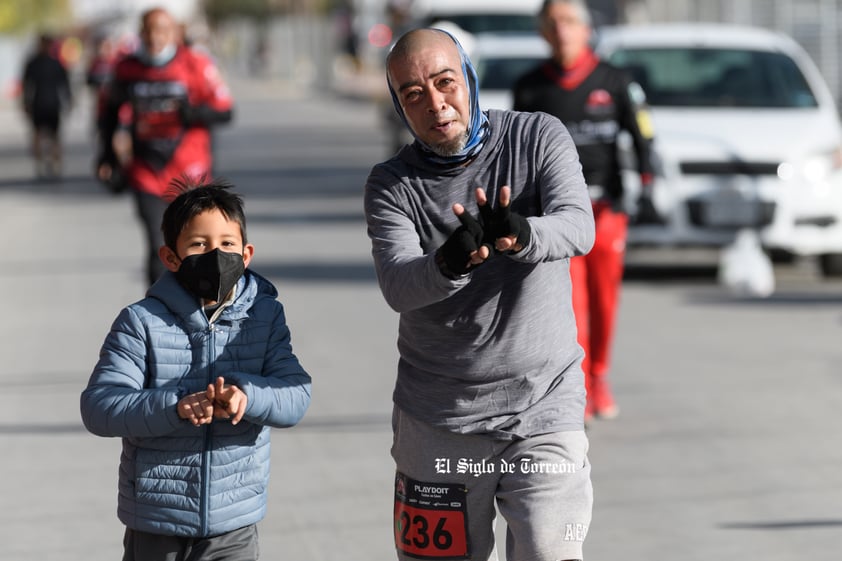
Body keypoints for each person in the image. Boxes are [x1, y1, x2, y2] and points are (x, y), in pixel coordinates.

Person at [365, 28, 595, 561]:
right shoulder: (391, 184)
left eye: (445, 82)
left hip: (544, 408)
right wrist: (448, 262)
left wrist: (522, 234)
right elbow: (399, 284)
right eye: (413, 94)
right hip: (439, 421)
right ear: (400, 105)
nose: (436, 104)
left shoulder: (538, 136)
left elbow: (578, 227)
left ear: (469, 79)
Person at [80, 178, 312, 561]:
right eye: (199, 245)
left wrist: (247, 396)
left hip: (233, 524)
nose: (215, 254)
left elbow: (296, 395)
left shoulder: (265, 316)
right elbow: (99, 407)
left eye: (226, 244)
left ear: (246, 254)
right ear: (171, 258)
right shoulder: (140, 321)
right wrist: (175, 407)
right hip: (156, 521)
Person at [513, 0, 660, 422]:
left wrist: (647, 187)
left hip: (606, 208)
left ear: (586, 28)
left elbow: (643, 135)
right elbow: (516, 150)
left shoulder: (615, 81)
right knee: (569, 303)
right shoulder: (530, 87)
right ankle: (573, 389)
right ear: (543, 31)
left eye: (570, 21)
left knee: (603, 300)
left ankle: (599, 377)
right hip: (555, 216)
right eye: (553, 23)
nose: (562, 30)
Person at [96, 7, 234, 286]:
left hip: (190, 172)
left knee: (195, 245)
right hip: (146, 171)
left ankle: (199, 311)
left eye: (162, 30)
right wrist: (107, 156)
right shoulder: (127, 68)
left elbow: (226, 111)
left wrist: (194, 113)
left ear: (175, 33)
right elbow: (109, 113)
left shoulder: (196, 64)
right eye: (149, 30)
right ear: (140, 33)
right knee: (158, 245)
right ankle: (160, 315)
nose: (155, 37)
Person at [21, 33, 72, 180]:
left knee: (54, 136)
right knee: (39, 135)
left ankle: (54, 165)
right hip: (39, 103)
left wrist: (69, 101)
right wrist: (25, 103)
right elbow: (26, 85)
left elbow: (65, 85)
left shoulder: (55, 63)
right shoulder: (34, 63)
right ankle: (41, 164)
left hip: (52, 104)